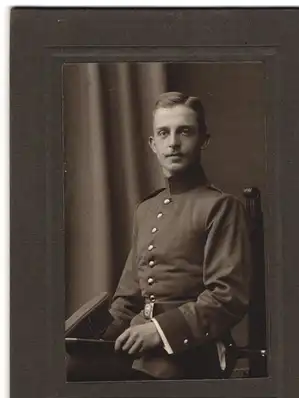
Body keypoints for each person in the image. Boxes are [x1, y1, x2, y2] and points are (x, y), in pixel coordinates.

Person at [102, 91, 250, 380]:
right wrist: (96, 340)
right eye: (163, 133)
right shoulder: (145, 210)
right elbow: (128, 299)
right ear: (152, 144)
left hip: (194, 349)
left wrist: (159, 331)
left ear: (204, 140)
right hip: (139, 345)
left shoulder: (221, 207)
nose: (173, 143)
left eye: (185, 131)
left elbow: (228, 297)